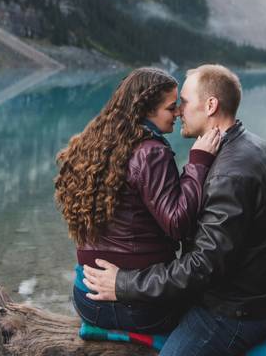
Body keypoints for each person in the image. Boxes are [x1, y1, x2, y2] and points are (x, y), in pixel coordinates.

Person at [84, 64, 266, 356]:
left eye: (185, 101)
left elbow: (202, 266)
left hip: (231, 312)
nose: (179, 110)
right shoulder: (259, 147)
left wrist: (124, 283)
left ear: (210, 105)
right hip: (253, 294)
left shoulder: (229, 174)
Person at [54, 67, 221, 334]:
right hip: (142, 308)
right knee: (215, 311)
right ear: (146, 110)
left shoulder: (95, 143)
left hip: (88, 301)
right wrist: (198, 163)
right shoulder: (151, 152)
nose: (178, 113)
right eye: (170, 107)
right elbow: (177, 224)